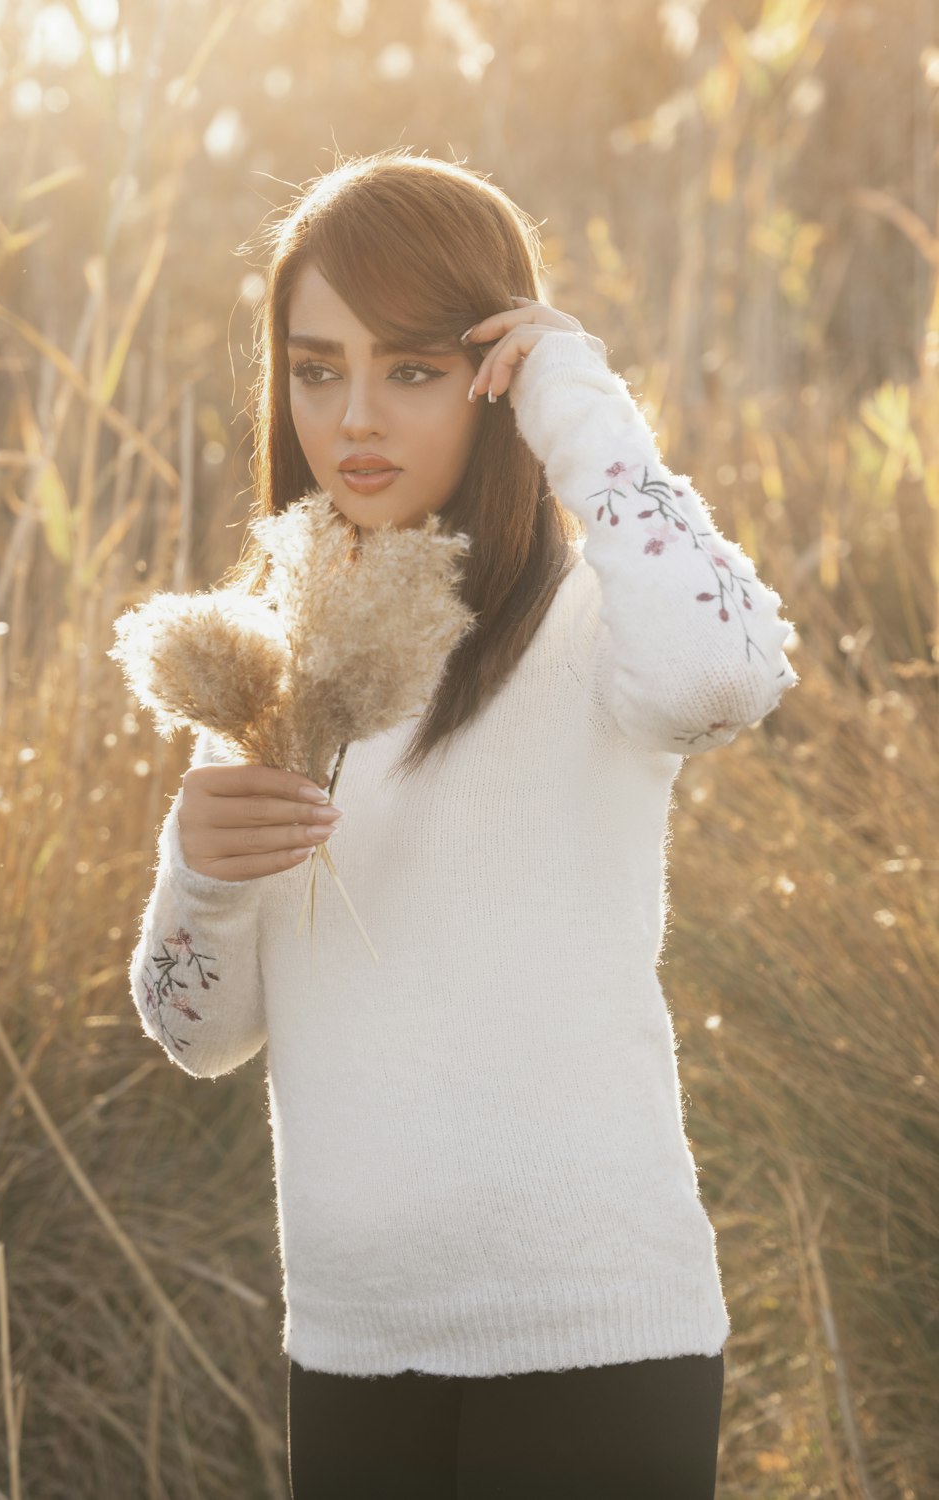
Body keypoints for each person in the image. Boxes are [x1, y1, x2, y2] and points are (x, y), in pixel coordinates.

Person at [125, 148, 800, 1498]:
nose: (355, 416)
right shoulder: (270, 669)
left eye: (414, 368)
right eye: (318, 369)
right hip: (354, 1351)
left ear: (497, 378)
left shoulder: (603, 620)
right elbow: (194, 1032)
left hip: (596, 1347)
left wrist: (586, 410)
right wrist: (196, 875)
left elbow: (730, 676)